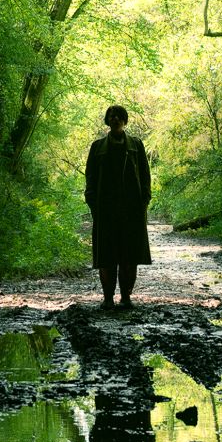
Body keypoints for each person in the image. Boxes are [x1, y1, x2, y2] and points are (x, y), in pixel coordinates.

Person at [85, 104, 152, 308]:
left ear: (124, 120)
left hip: (131, 210)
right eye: (111, 116)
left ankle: (126, 297)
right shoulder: (97, 147)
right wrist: (93, 203)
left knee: (129, 256)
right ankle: (107, 299)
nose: (115, 119)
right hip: (105, 211)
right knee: (106, 256)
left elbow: (145, 175)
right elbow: (90, 178)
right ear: (107, 120)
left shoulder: (136, 145)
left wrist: (144, 200)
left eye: (118, 115)